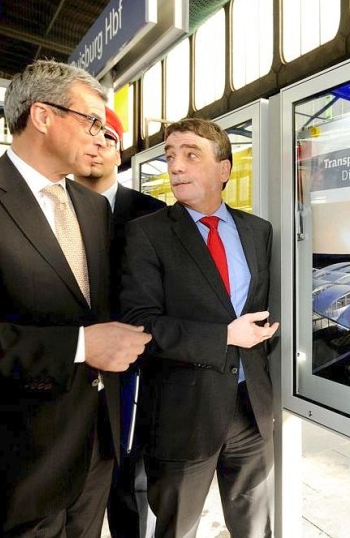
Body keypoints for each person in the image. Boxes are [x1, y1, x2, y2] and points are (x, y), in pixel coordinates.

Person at [0, 60, 152, 538]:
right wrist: (81, 347)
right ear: (42, 116)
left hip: (95, 450)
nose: (102, 136)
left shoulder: (89, 207)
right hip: (16, 462)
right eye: (92, 121)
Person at [121, 118, 278, 538]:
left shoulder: (257, 231)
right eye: (170, 155)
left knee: (254, 527)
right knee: (177, 529)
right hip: (182, 416)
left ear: (223, 169)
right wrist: (224, 336)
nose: (175, 166)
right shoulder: (147, 235)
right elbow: (140, 324)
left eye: (191, 154)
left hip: (250, 410)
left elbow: (261, 308)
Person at [74, 106, 165, 538]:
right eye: (88, 135)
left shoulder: (152, 213)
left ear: (120, 151)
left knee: (130, 484)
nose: (97, 146)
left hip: (133, 372)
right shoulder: (47, 209)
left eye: (108, 138)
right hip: (66, 365)